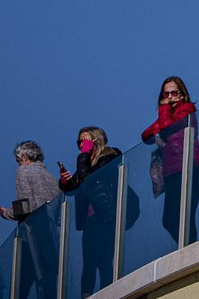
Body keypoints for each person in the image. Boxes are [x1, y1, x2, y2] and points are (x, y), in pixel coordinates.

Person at [55, 126, 122, 298]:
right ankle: (86, 295)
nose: (80, 145)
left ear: (95, 140)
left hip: (107, 215)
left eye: (84, 141)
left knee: (104, 260)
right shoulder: (87, 162)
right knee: (89, 261)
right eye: (79, 141)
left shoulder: (109, 156)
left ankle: (110, 293)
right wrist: (64, 181)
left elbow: (88, 178)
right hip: (91, 220)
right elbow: (73, 186)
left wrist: (84, 154)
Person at [140, 77, 199, 245]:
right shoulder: (167, 115)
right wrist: (162, 120)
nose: (169, 97)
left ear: (182, 94)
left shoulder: (187, 109)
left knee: (185, 216)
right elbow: (145, 135)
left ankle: (191, 252)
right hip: (171, 171)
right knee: (169, 219)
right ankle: (188, 249)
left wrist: (163, 107)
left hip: (190, 167)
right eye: (165, 94)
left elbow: (167, 126)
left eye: (173, 92)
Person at [0, 140, 59, 299]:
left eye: (17, 161)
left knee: (27, 277)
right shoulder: (50, 176)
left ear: (23, 157)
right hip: (51, 230)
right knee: (51, 272)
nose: (18, 165)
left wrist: (6, 213)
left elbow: (24, 206)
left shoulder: (23, 171)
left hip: (33, 228)